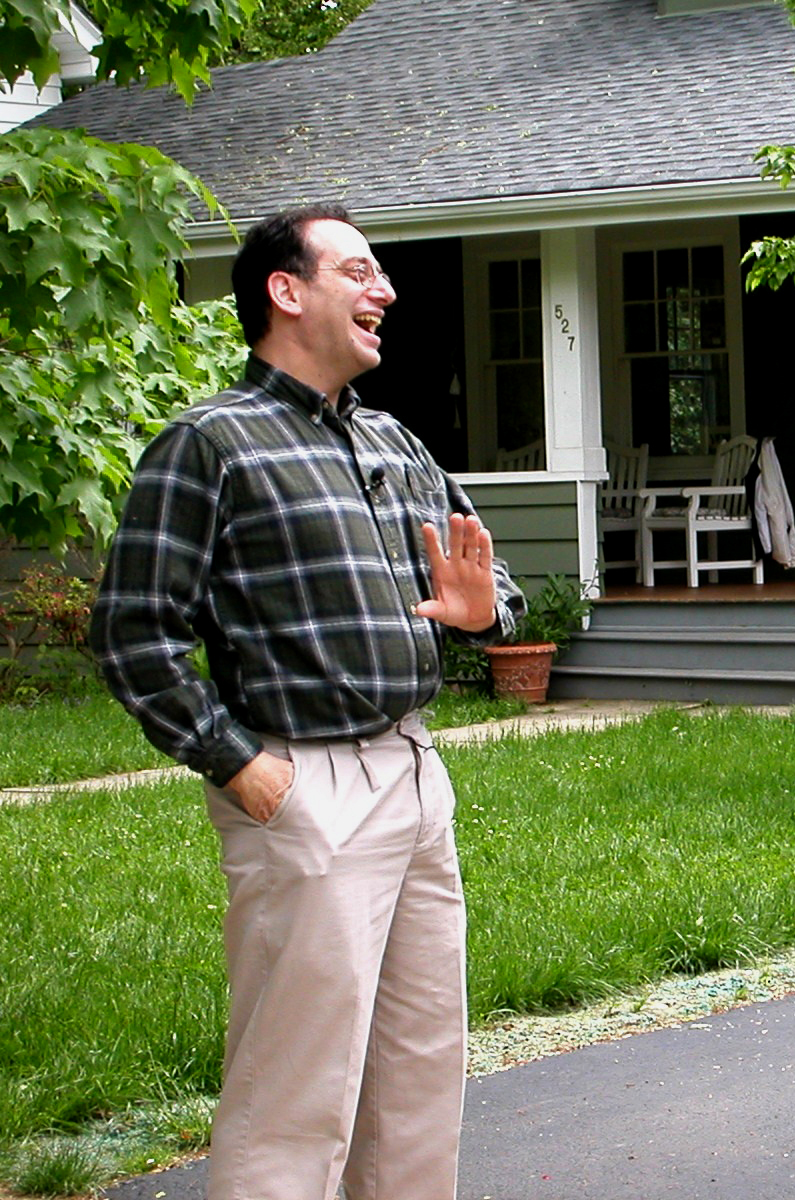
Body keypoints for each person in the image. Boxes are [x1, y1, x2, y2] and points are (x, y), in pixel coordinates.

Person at [90, 203, 526, 1200]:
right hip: (303, 786)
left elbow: (485, 582)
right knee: (295, 1092)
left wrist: (482, 612)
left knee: (418, 1072)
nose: (386, 292)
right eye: (358, 272)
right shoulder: (210, 444)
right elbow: (133, 632)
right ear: (285, 292)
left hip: (414, 774)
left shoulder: (394, 442)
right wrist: (242, 768)